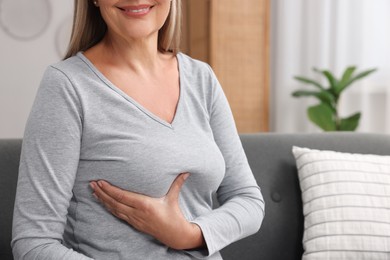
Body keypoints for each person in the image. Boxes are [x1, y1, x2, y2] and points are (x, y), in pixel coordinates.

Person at [11, 0, 265, 259]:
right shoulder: (67, 86)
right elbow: (34, 244)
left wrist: (187, 234)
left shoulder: (202, 78)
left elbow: (248, 200)